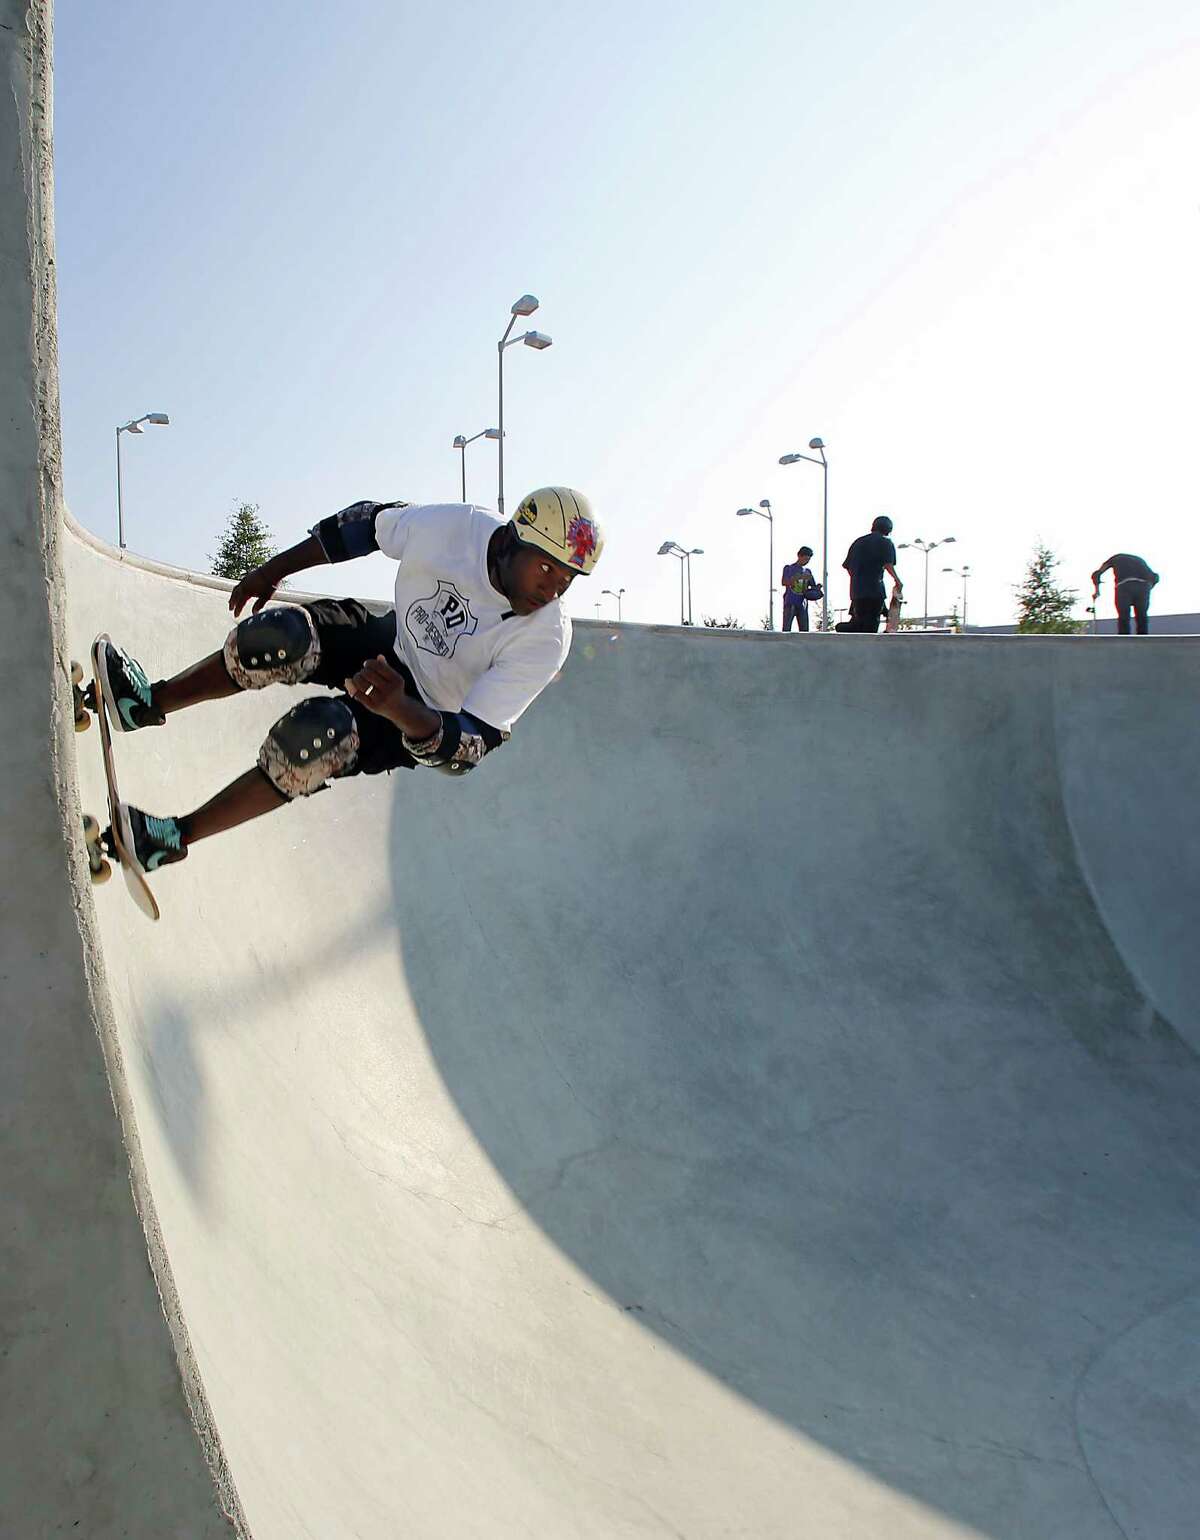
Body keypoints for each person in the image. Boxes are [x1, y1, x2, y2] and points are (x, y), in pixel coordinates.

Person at [93, 487, 603, 876]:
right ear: (514, 540)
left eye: (566, 581)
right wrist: (274, 569)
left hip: (421, 713)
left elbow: (469, 747)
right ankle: (145, 703)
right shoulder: (454, 527)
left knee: (315, 738)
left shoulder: (546, 636)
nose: (551, 590)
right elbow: (361, 526)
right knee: (275, 636)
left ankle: (170, 839)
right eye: (546, 568)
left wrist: (399, 708)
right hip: (388, 640)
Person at [835, 516, 902, 632]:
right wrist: (897, 581)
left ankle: (845, 628)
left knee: (860, 622)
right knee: (870, 626)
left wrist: (857, 578)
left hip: (856, 592)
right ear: (888, 529)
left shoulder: (858, 542)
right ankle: (848, 629)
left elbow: (847, 566)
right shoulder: (885, 543)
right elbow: (888, 565)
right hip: (875, 591)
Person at [1091, 552, 1159, 635]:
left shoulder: (1114, 559)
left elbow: (1097, 574)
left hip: (1124, 585)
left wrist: (1097, 591)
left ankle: (1123, 640)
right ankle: (1143, 640)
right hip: (1143, 586)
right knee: (1142, 617)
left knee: (1124, 616)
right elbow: (1156, 577)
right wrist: (1148, 588)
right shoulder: (1139, 560)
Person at [780, 546, 818, 632]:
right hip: (790, 601)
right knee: (786, 628)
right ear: (799, 556)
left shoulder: (808, 571)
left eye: (808, 560)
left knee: (804, 629)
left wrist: (817, 589)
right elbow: (784, 582)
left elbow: (813, 586)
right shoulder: (789, 568)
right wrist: (797, 578)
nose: (806, 562)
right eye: (805, 559)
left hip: (803, 603)